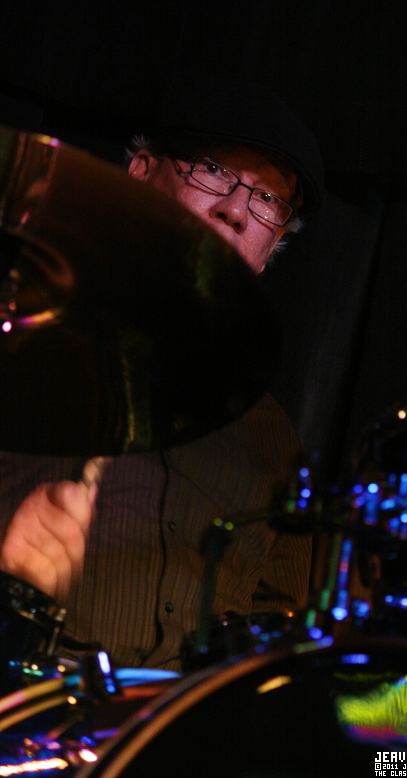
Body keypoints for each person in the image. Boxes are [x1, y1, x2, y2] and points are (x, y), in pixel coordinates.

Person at [0, 81, 325, 671]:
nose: (235, 209)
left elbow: (284, 637)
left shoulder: (275, 443)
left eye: (268, 200)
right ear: (142, 173)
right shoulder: (20, 335)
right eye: (213, 170)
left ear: (274, 242)